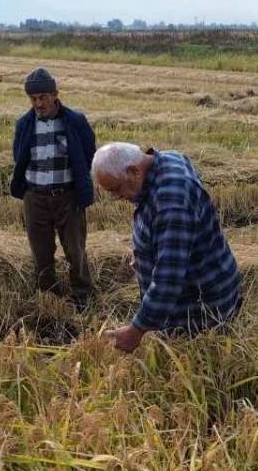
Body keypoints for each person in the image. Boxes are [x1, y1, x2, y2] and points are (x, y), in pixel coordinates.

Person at [91, 142, 242, 352]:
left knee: (195, 362)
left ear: (134, 171)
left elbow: (168, 279)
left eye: (116, 188)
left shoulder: (172, 202)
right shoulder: (168, 159)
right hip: (203, 279)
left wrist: (135, 331)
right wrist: (146, 254)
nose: (115, 197)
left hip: (201, 305)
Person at [10, 67, 97, 309]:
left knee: (75, 251)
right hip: (35, 199)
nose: (38, 104)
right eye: (33, 99)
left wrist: (80, 186)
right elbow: (19, 157)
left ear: (55, 94)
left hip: (68, 197)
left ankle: (83, 296)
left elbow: (88, 154)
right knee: (41, 254)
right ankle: (48, 297)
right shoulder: (24, 124)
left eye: (43, 97)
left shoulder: (75, 121)